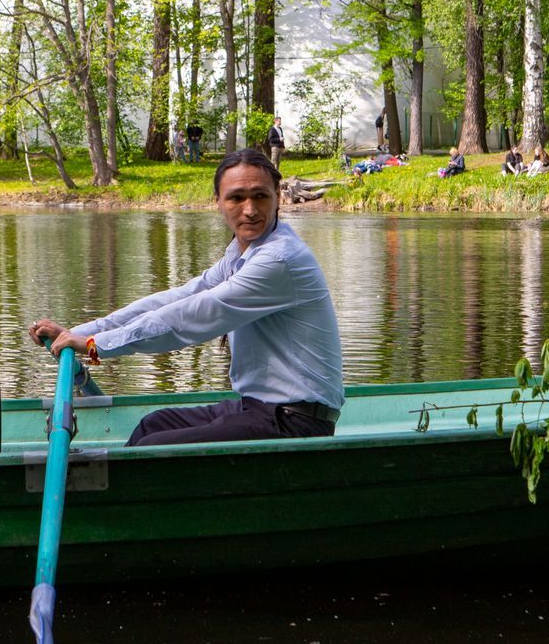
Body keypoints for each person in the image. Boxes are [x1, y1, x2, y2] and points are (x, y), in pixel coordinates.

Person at [29, 148, 345, 447]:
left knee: (155, 449)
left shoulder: (278, 261)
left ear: (278, 198)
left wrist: (95, 347)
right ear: (218, 202)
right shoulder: (242, 253)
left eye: (260, 196)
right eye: (236, 198)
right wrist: (83, 333)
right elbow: (175, 300)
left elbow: (191, 317)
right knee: (151, 426)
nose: (249, 210)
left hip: (297, 423)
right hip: (260, 409)